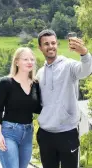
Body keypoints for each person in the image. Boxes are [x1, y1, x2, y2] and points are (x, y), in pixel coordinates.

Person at [36, 29, 92, 168]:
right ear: (40, 47)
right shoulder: (40, 73)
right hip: (45, 134)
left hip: (67, 133)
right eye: (46, 44)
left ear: (57, 44)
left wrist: (84, 53)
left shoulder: (69, 65)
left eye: (53, 43)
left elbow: (86, 70)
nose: (51, 46)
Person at [0, 47, 42, 168]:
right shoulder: (6, 83)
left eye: (32, 59)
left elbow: (38, 109)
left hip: (28, 133)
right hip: (9, 132)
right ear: (17, 62)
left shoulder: (35, 84)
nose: (29, 62)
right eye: (25, 59)